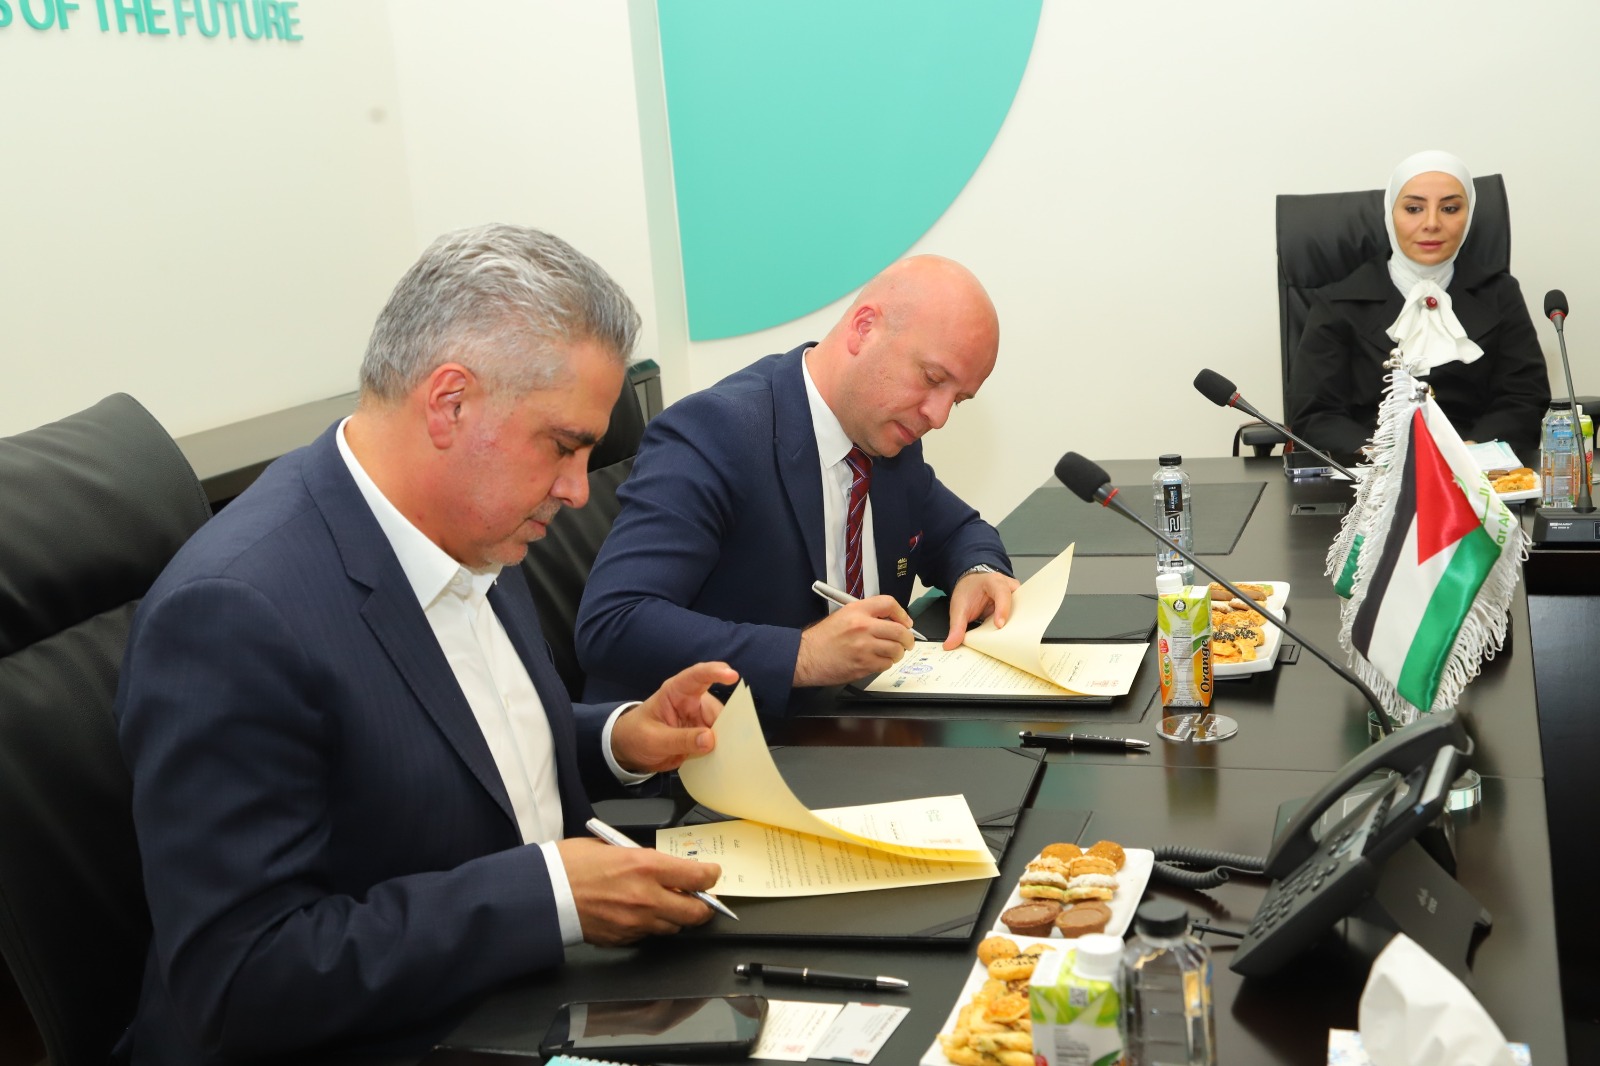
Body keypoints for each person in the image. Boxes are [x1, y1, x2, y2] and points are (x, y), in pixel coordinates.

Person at [113, 225, 739, 1062]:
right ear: (450, 404)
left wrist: (616, 738)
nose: (576, 490)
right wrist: (549, 894)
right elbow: (242, 977)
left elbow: (445, 744)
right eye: (563, 447)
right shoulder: (232, 614)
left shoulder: (472, 519)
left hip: (526, 997)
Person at [575, 255, 1019, 718]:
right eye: (932, 379)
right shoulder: (715, 432)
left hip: (848, 729)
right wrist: (802, 655)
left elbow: (960, 531)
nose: (938, 416)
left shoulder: (889, 435)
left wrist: (977, 572)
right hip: (714, 740)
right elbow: (612, 622)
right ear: (864, 328)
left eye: (958, 400)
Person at [1287, 150, 1549, 465]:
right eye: (1414, 208)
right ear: (1390, 214)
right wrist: (1385, 456)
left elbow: (1524, 398)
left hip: (1476, 470)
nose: (1432, 223)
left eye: (1450, 208)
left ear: (1468, 216)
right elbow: (1315, 415)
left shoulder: (1500, 294)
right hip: (1371, 474)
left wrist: (1473, 451)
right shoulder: (1337, 303)